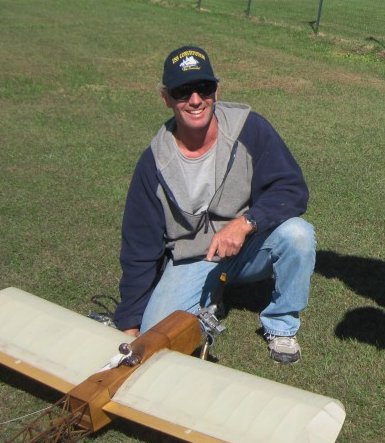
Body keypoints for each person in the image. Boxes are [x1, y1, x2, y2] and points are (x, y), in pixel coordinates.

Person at [113, 45, 316, 364]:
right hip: (192, 258)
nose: (195, 100)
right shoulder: (153, 162)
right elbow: (139, 248)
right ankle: (207, 298)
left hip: (247, 247)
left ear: (216, 91)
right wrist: (128, 324)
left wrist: (247, 222)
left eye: (203, 88)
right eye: (182, 92)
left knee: (298, 234)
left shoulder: (250, 128)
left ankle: (281, 325)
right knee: (154, 341)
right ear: (166, 98)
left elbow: (291, 188)